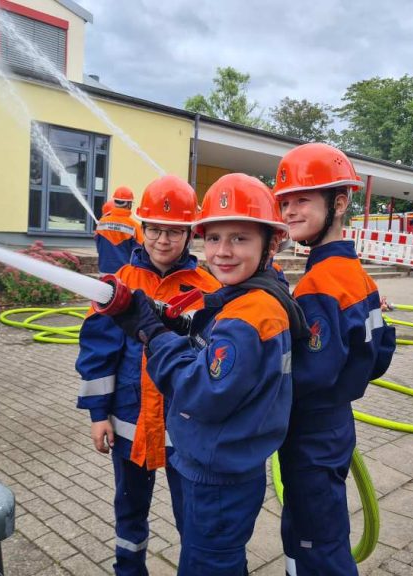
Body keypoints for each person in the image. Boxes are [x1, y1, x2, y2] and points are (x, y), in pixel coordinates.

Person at [107, 173, 307, 575]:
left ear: (271, 244)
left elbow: (200, 390)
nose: (222, 252)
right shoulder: (253, 300)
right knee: (217, 559)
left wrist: (153, 333)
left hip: (217, 477)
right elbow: (215, 346)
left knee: (208, 565)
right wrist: (175, 322)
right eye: (213, 238)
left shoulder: (250, 315)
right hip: (230, 467)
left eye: (240, 238)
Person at [76, 175, 220, 576]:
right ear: (143, 228)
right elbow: (97, 352)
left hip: (184, 428)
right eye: (155, 229)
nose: (162, 240)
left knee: (190, 515)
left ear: (189, 233)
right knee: (129, 512)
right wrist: (97, 415)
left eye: (174, 232)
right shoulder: (119, 285)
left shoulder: (207, 289)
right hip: (128, 421)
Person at [272, 143, 396, 576]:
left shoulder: (317, 285)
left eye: (302, 199)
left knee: (319, 548)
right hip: (336, 428)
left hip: (310, 434)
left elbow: (308, 374)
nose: (289, 211)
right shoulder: (360, 278)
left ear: (339, 202)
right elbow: (380, 357)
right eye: (284, 201)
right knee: (307, 533)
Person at [95, 185, 144, 274]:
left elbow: (98, 247)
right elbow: (139, 254)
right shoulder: (134, 226)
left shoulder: (101, 222)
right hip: (124, 275)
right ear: (129, 204)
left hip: (103, 271)